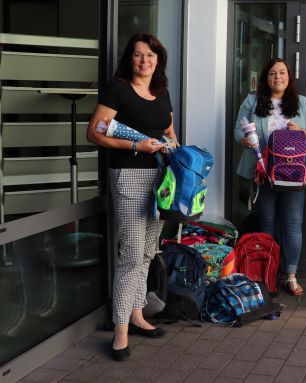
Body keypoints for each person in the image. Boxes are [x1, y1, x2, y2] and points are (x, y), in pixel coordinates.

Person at [86, 33, 178, 361]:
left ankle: (138, 314)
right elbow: (95, 130)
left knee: (148, 251)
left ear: (158, 59)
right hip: (128, 176)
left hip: (160, 180)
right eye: (138, 55)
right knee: (130, 253)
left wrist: (174, 147)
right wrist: (136, 145)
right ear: (130, 58)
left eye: (150, 55)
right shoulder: (118, 88)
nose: (144, 61)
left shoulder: (162, 92)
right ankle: (120, 329)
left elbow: (168, 130)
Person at [234, 58, 306, 296]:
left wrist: (301, 133)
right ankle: (267, 273)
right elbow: (237, 129)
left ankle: (290, 275)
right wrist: (245, 140)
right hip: (262, 171)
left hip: (293, 173)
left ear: (289, 77)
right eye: (272, 73)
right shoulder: (252, 100)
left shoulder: (301, 102)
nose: (277, 77)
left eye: (282, 72)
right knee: (267, 222)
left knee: (292, 224)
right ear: (265, 77)